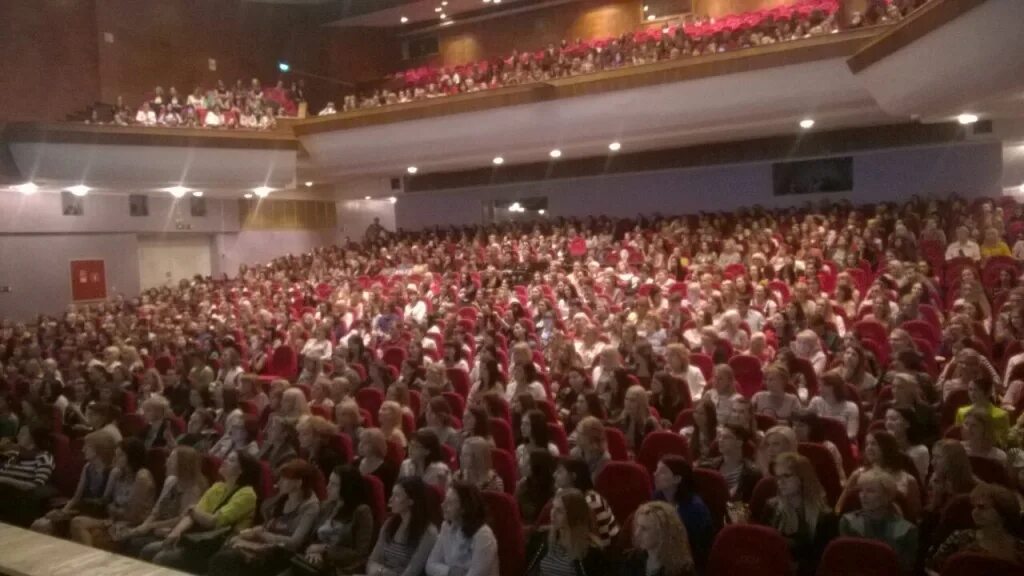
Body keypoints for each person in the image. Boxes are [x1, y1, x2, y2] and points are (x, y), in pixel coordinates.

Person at [151, 450, 261, 572]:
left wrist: (193, 509)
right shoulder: (218, 487)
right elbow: (191, 515)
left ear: (241, 470)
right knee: (149, 549)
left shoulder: (247, 494)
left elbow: (213, 521)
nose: (224, 461)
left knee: (162, 558)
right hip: (199, 539)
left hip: (219, 546)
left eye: (231, 460)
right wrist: (176, 532)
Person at [207, 460, 321, 576]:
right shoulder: (283, 498)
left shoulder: (310, 508)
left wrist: (262, 535)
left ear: (298, 483)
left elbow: (294, 543)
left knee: (227, 559)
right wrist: (257, 531)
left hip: (281, 555)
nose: (279, 482)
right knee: (227, 547)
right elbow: (268, 525)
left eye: (284, 479)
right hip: (265, 547)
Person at [754, 452, 836, 576]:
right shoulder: (772, 507)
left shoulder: (824, 517)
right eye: (777, 477)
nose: (780, 482)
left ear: (802, 478)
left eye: (786, 476)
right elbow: (761, 547)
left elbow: (823, 562)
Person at [287, 464, 375, 576]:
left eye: (334, 484)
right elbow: (311, 538)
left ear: (346, 487)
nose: (327, 487)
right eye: (329, 482)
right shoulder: (327, 506)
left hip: (339, 569)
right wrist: (315, 552)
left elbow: (360, 553)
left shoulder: (362, 512)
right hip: (313, 561)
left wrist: (324, 551)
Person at [69, 438, 157, 549]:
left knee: (93, 537)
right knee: (77, 522)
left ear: (131, 458)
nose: (115, 459)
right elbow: (106, 502)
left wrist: (113, 510)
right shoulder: (118, 473)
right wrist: (113, 510)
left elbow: (134, 516)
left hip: (131, 525)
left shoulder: (142, 477)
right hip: (114, 520)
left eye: (119, 456)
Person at [125, 446, 208, 558]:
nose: (167, 461)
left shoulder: (194, 489)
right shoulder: (171, 481)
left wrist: (151, 526)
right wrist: (143, 526)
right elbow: (157, 510)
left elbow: (182, 518)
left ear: (183, 464)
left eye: (172, 459)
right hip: (157, 526)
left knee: (138, 544)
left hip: (173, 531)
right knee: (128, 538)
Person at [31, 430, 115, 535]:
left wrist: (69, 514)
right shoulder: (87, 467)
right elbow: (76, 498)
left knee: (47, 525)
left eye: (87, 447)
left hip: (97, 514)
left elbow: (103, 502)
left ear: (99, 450)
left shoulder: (112, 472)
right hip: (82, 509)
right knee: (38, 524)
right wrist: (63, 512)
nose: (83, 449)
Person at [927, 483, 1024, 572]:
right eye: (974, 507)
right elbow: (934, 567)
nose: (974, 512)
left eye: (982, 507)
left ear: (1002, 513)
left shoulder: (1019, 548)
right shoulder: (960, 538)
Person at [838, 469, 919, 573]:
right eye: (861, 490)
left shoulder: (907, 531)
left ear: (887, 496)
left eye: (870, 491)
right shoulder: (848, 523)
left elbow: (905, 570)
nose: (863, 495)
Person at [366, 477, 439, 576]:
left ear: (411, 501)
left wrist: (381, 571)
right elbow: (372, 562)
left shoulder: (428, 533)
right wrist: (384, 572)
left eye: (397, 496)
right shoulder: (389, 524)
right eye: (392, 494)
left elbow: (412, 572)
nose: (391, 500)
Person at [524, 489, 606, 575]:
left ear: (573, 515)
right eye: (553, 508)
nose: (553, 513)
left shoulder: (591, 553)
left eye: (559, 511)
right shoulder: (542, 538)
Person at [426, 481, 500, 576]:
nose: (442, 505)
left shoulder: (483, 535)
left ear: (464, 508)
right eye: (445, 500)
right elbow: (430, 565)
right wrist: (451, 572)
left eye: (450, 503)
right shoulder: (446, 526)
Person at [653, 456, 714, 569]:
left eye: (662, 472)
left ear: (677, 479)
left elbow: (698, 549)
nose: (655, 474)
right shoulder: (658, 496)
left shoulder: (695, 509)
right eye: (656, 470)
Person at [553, 457, 620, 548]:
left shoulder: (591, 501)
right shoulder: (562, 494)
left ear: (573, 476)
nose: (554, 475)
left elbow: (600, 541)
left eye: (560, 472)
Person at [620, 501, 696, 576]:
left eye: (644, 529)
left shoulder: (682, 571)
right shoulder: (632, 559)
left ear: (662, 534)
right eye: (638, 526)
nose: (637, 533)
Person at [698, 424, 762, 502]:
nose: (720, 440)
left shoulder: (753, 473)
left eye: (726, 437)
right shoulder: (707, 467)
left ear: (739, 442)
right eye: (720, 437)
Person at [808, 370, 860, 440]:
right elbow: (806, 424)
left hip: (843, 443)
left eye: (821, 385)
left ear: (831, 387)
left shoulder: (852, 407)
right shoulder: (815, 401)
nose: (819, 389)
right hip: (820, 441)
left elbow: (852, 434)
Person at [614, 385, 661, 453]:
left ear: (641, 403)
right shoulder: (621, 418)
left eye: (632, 400)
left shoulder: (650, 423)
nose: (627, 403)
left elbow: (650, 451)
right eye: (626, 399)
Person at [515, 448, 556, 524]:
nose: (522, 465)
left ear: (537, 468)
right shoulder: (523, 484)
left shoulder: (554, 489)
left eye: (527, 463)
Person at [568, 416, 610, 481]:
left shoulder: (604, 458)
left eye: (580, 433)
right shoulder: (575, 451)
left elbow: (593, 483)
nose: (576, 436)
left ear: (590, 437)